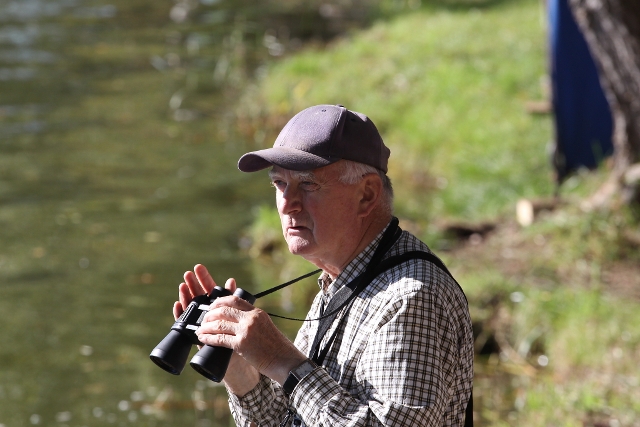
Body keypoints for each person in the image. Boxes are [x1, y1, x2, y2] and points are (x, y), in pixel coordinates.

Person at [173, 104, 474, 426]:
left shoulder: (412, 298)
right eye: (279, 184)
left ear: (367, 194)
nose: (288, 204)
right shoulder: (341, 278)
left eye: (308, 184)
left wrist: (282, 360)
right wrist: (241, 370)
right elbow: (296, 419)